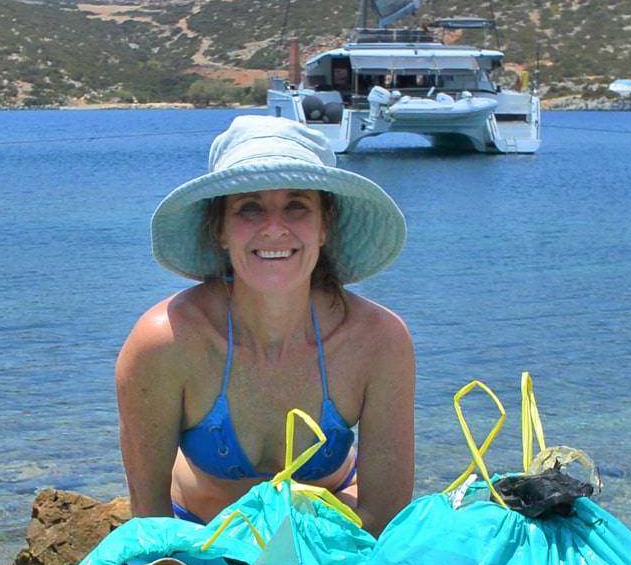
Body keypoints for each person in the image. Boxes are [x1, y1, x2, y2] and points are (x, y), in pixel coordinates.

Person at [116, 116, 415, 537]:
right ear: (219, 228)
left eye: (297, 206)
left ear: (325, 225)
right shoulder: (166, 341)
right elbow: (149, 516)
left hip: (330, 539)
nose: (274, 227)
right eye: (249, 207)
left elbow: (383, 516)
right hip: (200, 534)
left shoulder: (378, 340)